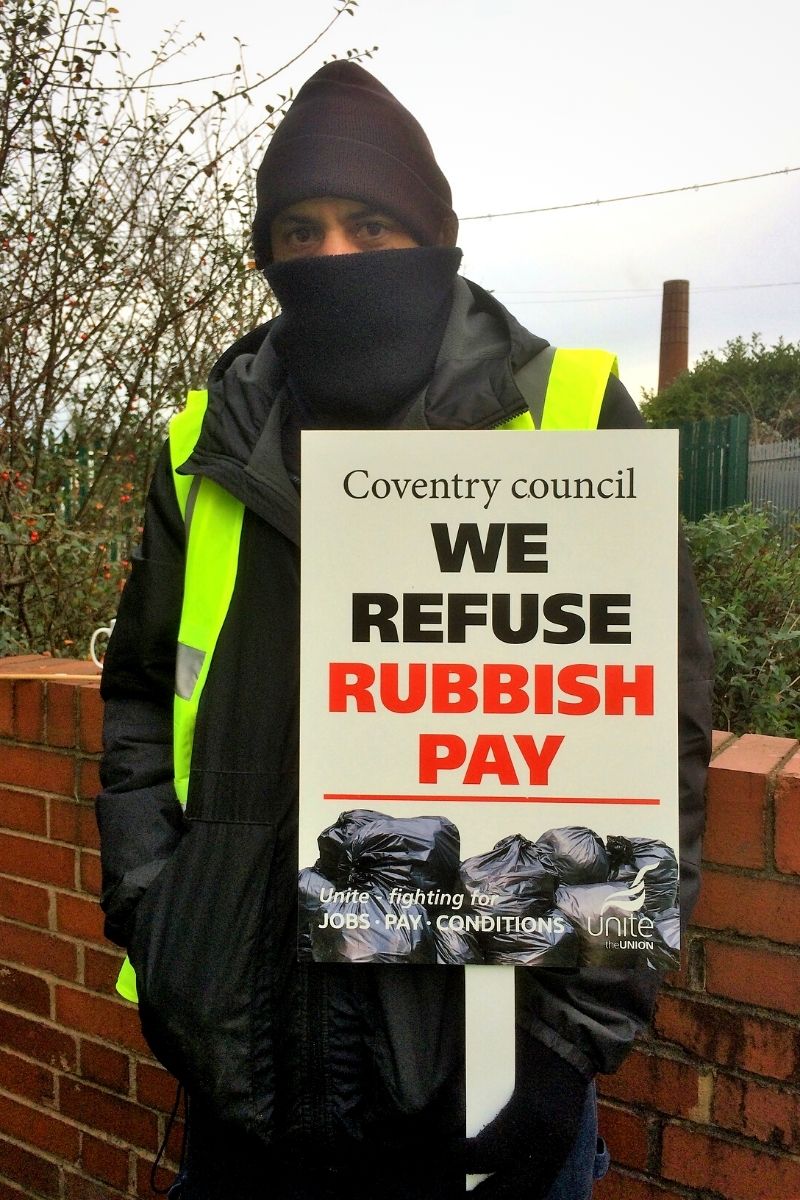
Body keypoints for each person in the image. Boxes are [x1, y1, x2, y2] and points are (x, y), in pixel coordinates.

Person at [96, 62, 713, 1200]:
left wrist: (561, 1049)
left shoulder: (565, 410)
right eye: (300, 229)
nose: (332, 257)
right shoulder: (203, 440)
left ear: (437, 234)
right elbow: (140, 696)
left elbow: (652, 738)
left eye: (370, 224)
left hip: (487, 1067)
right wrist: (160, 925)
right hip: (243, 1059)